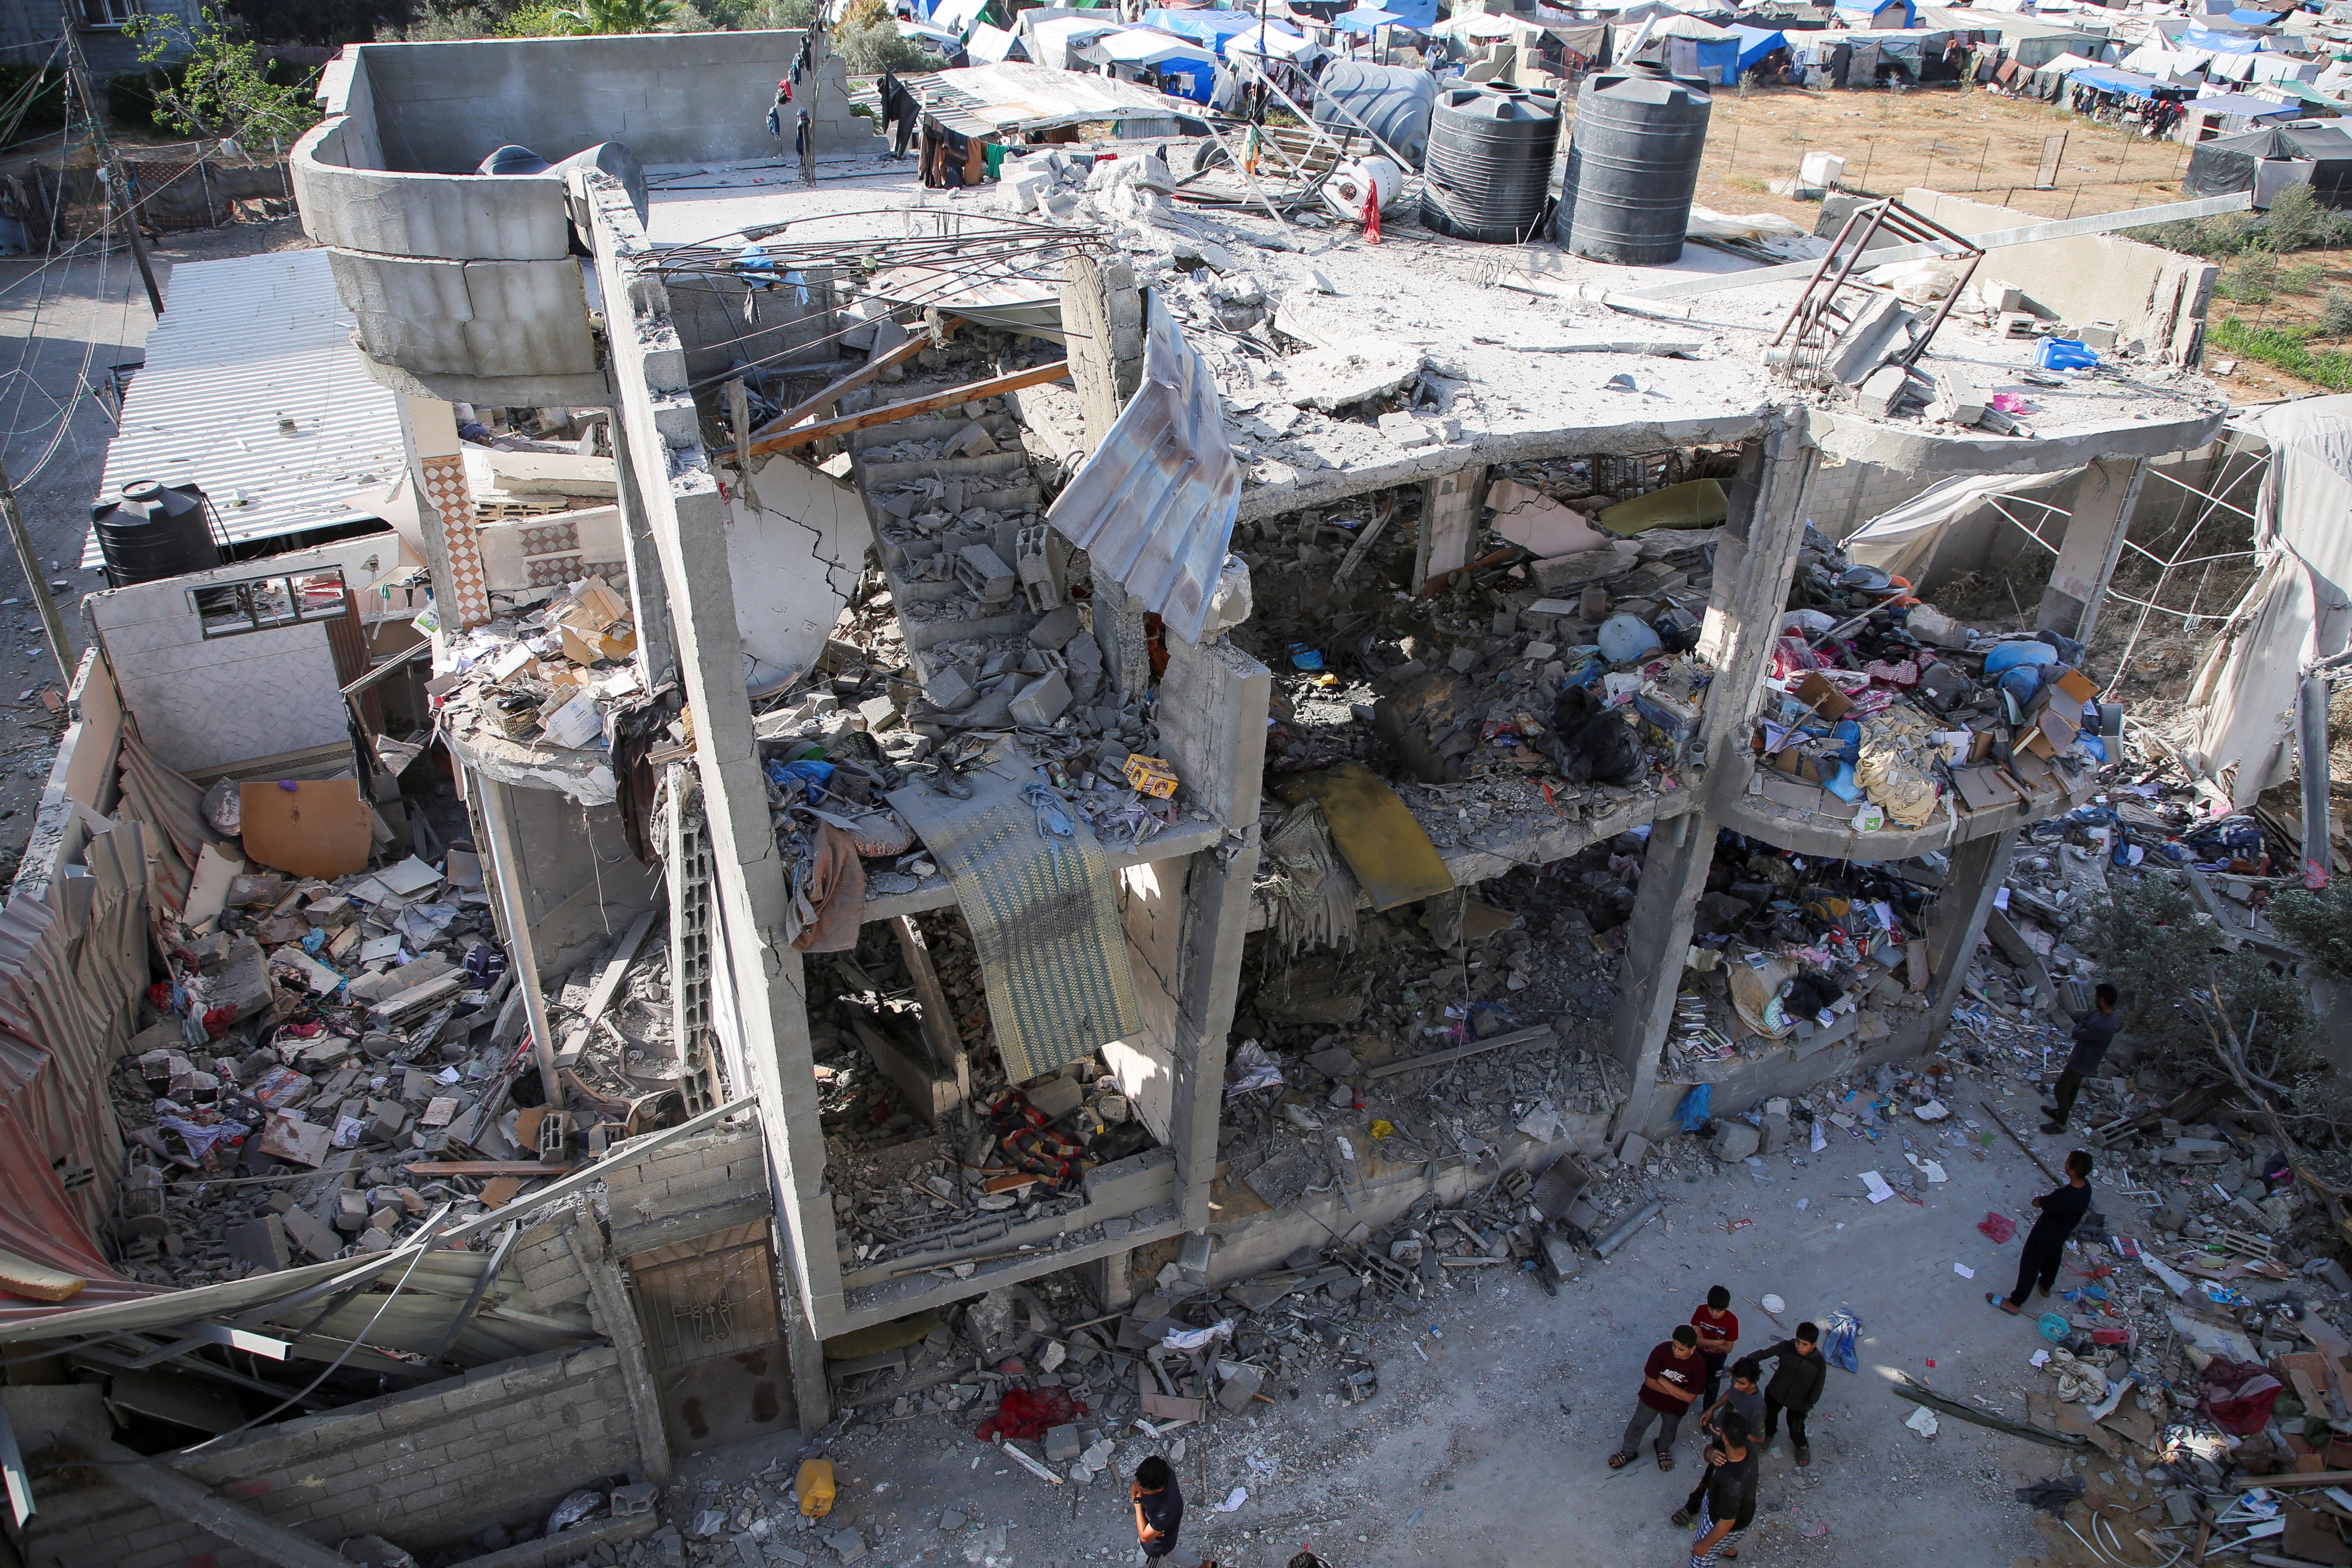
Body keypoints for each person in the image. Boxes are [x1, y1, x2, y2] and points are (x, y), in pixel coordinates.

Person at [1990, 1148, 2095, 1316]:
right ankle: (2046, 1285)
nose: (2065, 1163)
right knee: (2054, 1255)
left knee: (2030, 1264)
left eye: (2068, 1162)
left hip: (2045, 1233)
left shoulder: (2064, 1196)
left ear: (2073, 1170)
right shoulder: (2086, 1188)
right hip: (2063, 1231)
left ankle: (2015, 1303)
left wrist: (2038, 1200)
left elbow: (2039, 1203)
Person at [1671, 1359, 1765, 1527]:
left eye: (1742, 1383)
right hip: (1722, 1438)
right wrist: (1712, 1409)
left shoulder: (1758, 1407)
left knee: (1713, 1478)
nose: (1736, 1385)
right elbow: (1730, 1394)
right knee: (1711, 1467)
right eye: (1734, 1380)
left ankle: (1693, 1508)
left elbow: (1759, 1437)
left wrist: (1731, 1435)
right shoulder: (1737, 1387)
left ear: (1753, 1383)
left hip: (1733, 1448)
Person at [1610, 1325, 1705, 1472]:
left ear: (1693, 1349)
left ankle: (1663, 1449)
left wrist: (1662, 1380)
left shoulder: (1699, 1366)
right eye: (1675, 1346)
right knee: (1637, 1425)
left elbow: (1691, 1398)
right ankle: (1628, 1452)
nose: (1676, 1351)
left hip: (1675, 1407)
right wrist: (1680, 1393)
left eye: (1681, 1349)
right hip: (1651, 1399)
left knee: (1670, 1429)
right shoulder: (1661, 1351)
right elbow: (1650, 1383)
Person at [2042, 984, 2121, 1133]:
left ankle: (2061, 1124)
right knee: (2071, 1088)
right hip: (2081, 1057)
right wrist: (2084, 1026)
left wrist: (2082, 1027)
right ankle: (2061, 1112)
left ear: (2103, 1000)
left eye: (2097, 997)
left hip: (2083, 1062)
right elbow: (2086, 1020)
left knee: (2061, 1089)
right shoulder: (2106, 1015)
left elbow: (2077, 1033)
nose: (2094, 999)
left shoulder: (2104, 1025)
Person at [1686, 1410, 1759, 1567]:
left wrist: (1704, 1544)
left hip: (1724, 1522)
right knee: (1719, 1537)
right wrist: (1711, 1452)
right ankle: (1725, 1548)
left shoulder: (1732, 1485)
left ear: (1725, 1437)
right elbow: (1708, 1451)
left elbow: (1726, 1523)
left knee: (1699, 1560)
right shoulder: (1746, 1446)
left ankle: (1718, 1546)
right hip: (1730, 1508)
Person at [1754, 1324, 1826, 1466]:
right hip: (1776, 1392)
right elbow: (1765, 1353)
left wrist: (1809, 1405)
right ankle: (1768, 1436)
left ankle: (1802, 1447)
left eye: (1805, 1344)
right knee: (1770, 1416)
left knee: (1796, 1428)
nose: (1799, 1346)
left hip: (1800, 1403)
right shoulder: (1787, 1347)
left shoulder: (1819, 1363)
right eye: (1798, 1341)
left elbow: (1818, 1388)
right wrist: (1748, 1359)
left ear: (1814, 1345)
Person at [1691, 1286, 1740, 1407]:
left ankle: (1708, 1411)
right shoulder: (1701, 1311)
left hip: (1717, 1360)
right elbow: (1694, 1339)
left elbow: (1728, 1349)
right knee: (1691, 1377)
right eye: (1712, 1309)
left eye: (1719, 1310)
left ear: (1727, 1307)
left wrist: (1702, 1340)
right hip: (1698, 1354)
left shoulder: (1732, 1321)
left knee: (1712, 1386)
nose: (1715, 1313)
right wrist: (1717, 1343)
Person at [1131, 1455, 1183, 1562]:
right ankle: (1201, 1565)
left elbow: (1145, 1538)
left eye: (1144, 1491)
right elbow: (1135, 1487)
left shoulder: (1165, 1510)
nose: (1138, 1490)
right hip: (1160, 1534)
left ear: (1159, 1490)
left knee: (1147, 1563)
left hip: (1156, 1548)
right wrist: (1151, 1528)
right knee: (1172, 1553)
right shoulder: (1162, 1472)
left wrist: (1138, 1505)